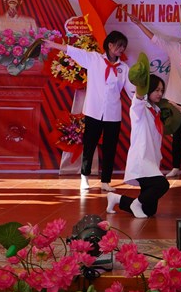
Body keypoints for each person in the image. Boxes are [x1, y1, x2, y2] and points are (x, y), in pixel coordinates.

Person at [43, 31, 130, 193]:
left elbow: (132, 91)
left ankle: (106, 181)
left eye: (124, 46)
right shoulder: (94, 59)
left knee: (110, 148)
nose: (122, 49)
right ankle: (85, 176)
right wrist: (53, 45)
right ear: (110, 45)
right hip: (93, 111)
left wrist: (144, 98)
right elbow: (73, 51)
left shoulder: (124, 68)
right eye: (119, 45)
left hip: (113, 114)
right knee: (89, 145)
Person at [129, 16, 181, 178]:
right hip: (175, 99)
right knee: (177, 135)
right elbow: (154, 39)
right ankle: (175, 167)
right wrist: (139, 24)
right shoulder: (174, 48)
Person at [106, 73, 170, 219]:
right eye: (156, 90)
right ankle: (136, 204)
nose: (160, 93)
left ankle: (116, 199)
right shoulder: (139, 107)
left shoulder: (157, 110)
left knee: (149, 210)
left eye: (162, 90)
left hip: (152, 160)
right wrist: (142, 82)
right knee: (162, 185)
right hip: (141, 160)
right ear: (148, 89)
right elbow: (139, 98)